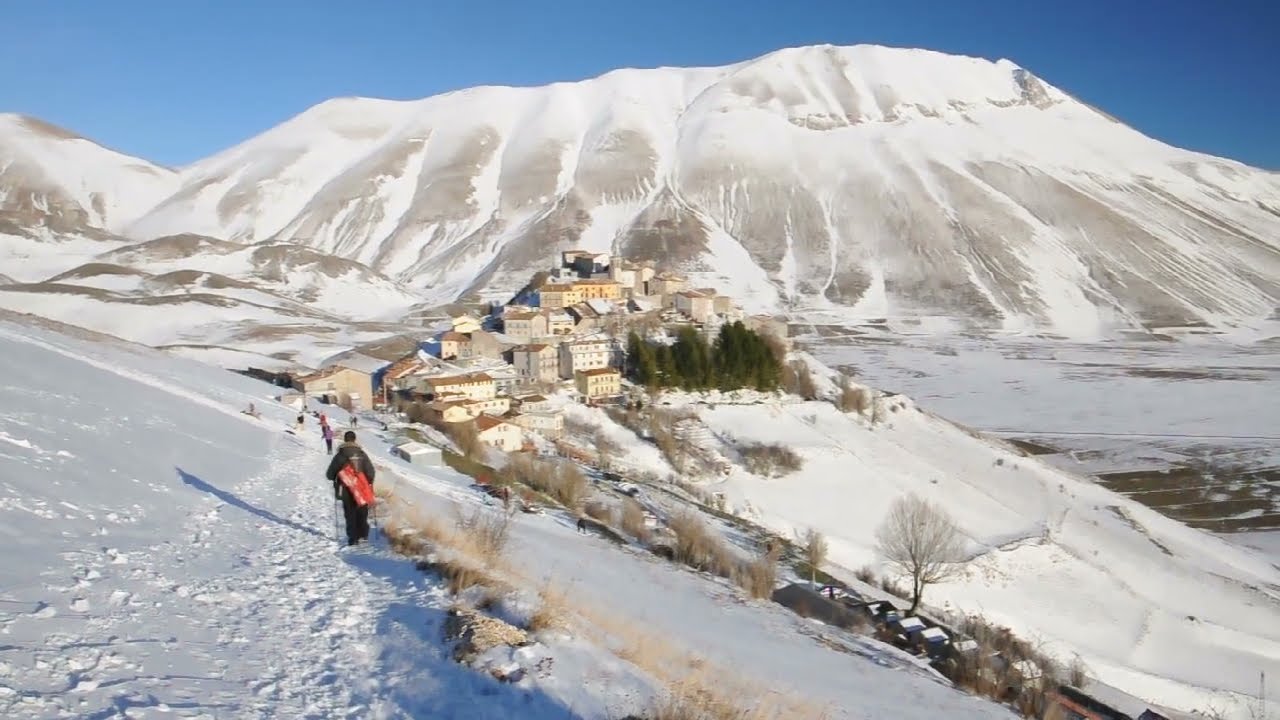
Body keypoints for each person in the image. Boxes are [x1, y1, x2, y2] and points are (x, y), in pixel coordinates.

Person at [325, 431, 376, 546]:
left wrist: (338, 478)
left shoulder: (340, 455)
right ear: (354, 439)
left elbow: (329, 474)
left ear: (345, 440)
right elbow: (371, 472)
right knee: (362, 513)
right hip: (361, 489)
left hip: (345, 490)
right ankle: (363, 536)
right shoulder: (362, 454)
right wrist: (367, 482)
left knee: (350, 514)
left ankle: (352, 539)